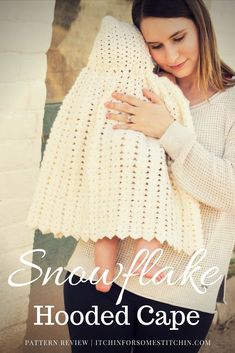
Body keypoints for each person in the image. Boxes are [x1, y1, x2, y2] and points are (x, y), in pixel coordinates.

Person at [63, 0, 235, 352]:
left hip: (177, 292)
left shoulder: (230, 103)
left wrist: (168, 131)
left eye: (178, 37)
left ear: (203, 28)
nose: (170, 55)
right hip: (95, 277)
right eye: (155, 45)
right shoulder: (135, 85)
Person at [25, 16, 204, 292]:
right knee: (155, 207)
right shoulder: (151, 83)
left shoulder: (91, 85)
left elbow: (73, 121)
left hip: (105, 164)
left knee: (104, 226)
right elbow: (175, 107)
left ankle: (104, 275)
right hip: (142, 163)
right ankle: (144, 260)